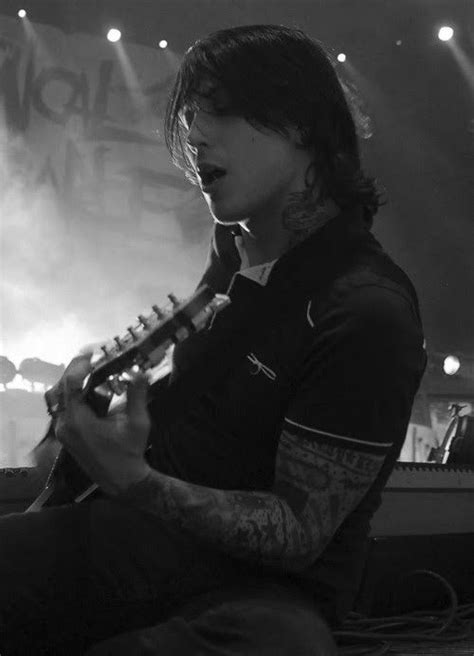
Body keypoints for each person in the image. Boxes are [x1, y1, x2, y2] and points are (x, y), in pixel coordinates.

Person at [0, 24, 427, 655]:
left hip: (256, 590)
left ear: (303, 126)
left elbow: (297, 532)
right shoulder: (234, 251)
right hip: (143, 543)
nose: (195, 134)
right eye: (192, 115)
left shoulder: (366, 310)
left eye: (220, 112)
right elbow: (196, 414)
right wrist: (99, 424)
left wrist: (134, 480)